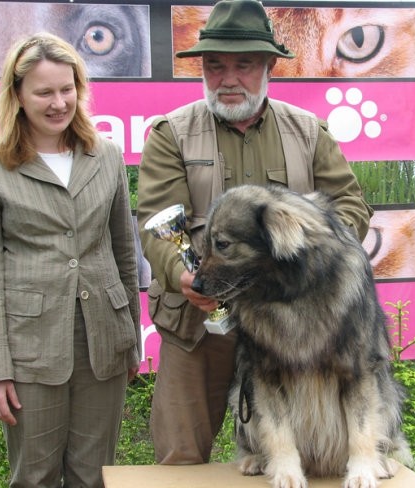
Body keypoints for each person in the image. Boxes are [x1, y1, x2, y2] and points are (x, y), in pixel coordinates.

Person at [137, 0, 373, 465]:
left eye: (243, 65)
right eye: (215, 65)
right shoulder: (170, 134)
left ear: (269, 66)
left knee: (299, 456)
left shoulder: (310, 132)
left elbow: (349, 207)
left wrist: (315, 252)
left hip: (294, 324)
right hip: (196, 325)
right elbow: (157, 225)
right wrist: (182, 276)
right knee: (180, 460)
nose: (228, 78)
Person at [0, 32, 141, 488]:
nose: (59, 102)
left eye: (67, 89)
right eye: (44, 92)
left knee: (95, 474)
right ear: (18, 95)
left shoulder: (108, 156)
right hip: (29, 349)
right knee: (34, 476)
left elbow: (123, 251)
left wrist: (130, 339)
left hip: (104, 342)